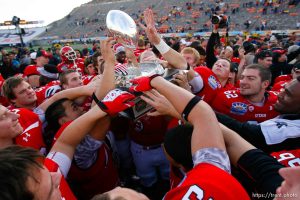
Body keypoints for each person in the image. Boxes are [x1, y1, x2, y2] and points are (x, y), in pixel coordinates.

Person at [128, 69, 250, 199]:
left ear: (177, 163)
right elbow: (205, 117)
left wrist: (155, 81)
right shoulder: (214, 171)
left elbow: (203, 116)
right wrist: (185, 95)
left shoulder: (211, 167)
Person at [212, 64, 279, 123]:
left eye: (250, 78)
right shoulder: (225, 98)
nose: (242, 82)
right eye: (242, 77)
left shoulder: (278, 101)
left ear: (265, 84)